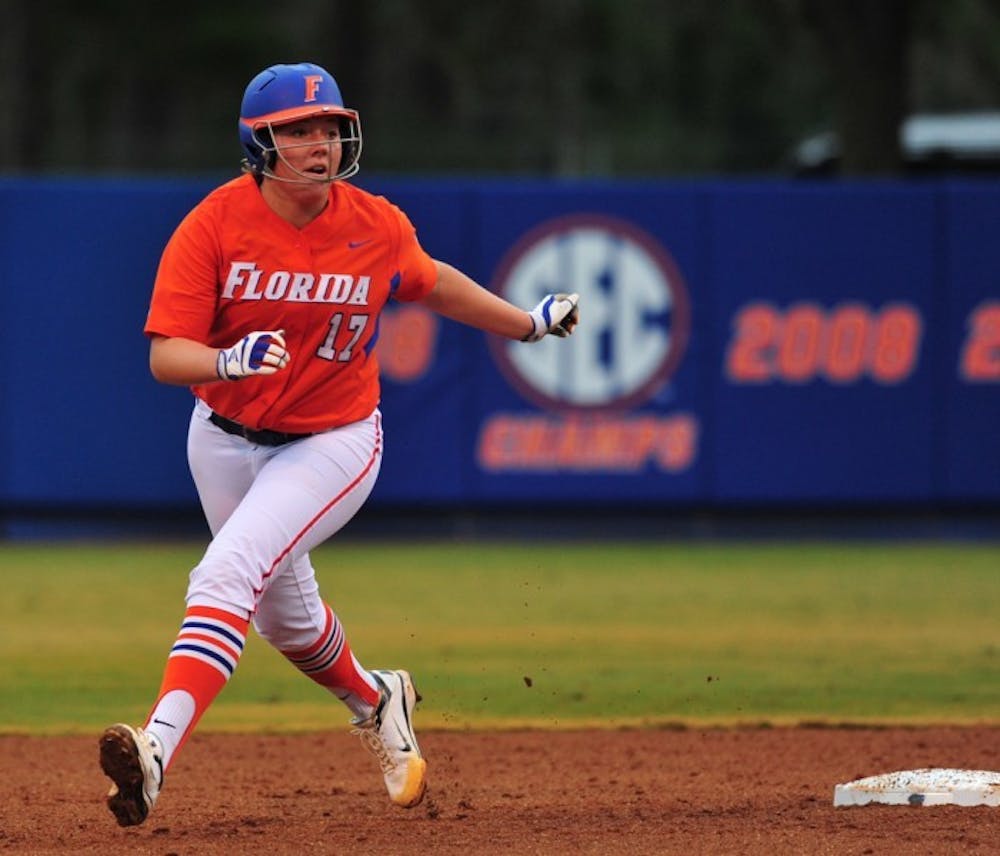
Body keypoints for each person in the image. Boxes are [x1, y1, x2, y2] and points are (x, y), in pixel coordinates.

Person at [97, 61, 579, 828]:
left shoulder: (374, 222)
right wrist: (227, 359)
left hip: (334, 439)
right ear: (260, 144)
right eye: (297, 130)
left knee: (228, 568)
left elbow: (434, 281)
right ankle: (376, 696)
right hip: (221, 435)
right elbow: (165, 355)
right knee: (285, 620)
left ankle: (154, 752)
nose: (320, 142)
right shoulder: (213, 225)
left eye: (328, 127)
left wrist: (526, 322)